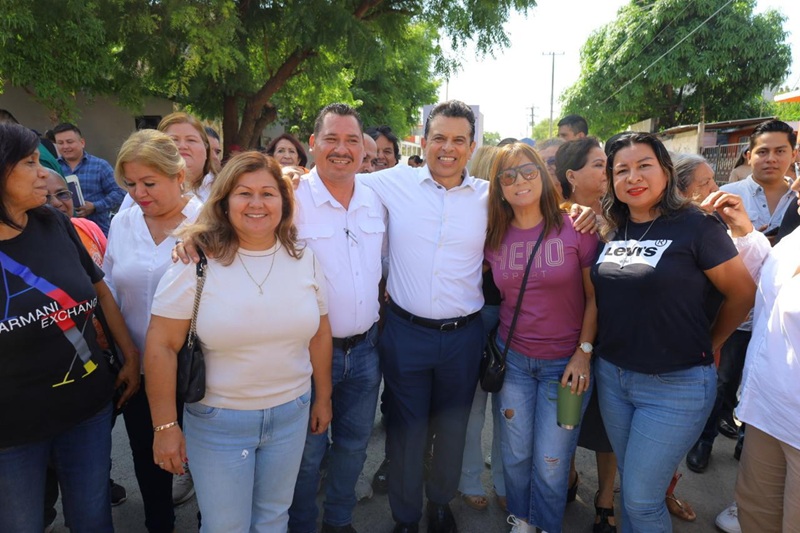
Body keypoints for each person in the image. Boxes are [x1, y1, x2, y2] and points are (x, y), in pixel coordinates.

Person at [145, 152, 332, 532]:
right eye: (244, 193)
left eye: (268, 193)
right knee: (225, 526)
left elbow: (320, 332)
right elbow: (161, 344)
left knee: (273, 520)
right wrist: (164, 426)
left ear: (284, 201)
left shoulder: (304, 258)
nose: (257, 203)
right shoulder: (196, 261)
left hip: (291, 412)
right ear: (225, 201)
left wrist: (323, 399)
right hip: (220, 420)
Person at [592, 133, 756, 532]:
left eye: (644, 166)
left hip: (675, 386)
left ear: (665, 172)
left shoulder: (697, 226)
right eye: (621, 170)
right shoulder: (614, 228)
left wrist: (712, 342)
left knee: (642, 500)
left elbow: (742, 293)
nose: (633, 177)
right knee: (633, 487)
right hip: (614, 377)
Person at [0, 122, 139, 532]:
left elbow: (100, 291)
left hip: (87, 411)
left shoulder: (55, 224)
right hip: (11, 431)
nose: (45, 173)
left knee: (93, 518)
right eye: (30, 163)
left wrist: (129, 356)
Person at [485, 143, 596, 533]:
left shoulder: (576, 228)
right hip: (513, 362)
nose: (520, 181)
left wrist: (583, 353)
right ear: (499, 188)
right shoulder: (493, 237)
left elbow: (595, 298)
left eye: (528, 171)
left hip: (565, 368)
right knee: (515, 455)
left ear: (544, 176)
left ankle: (547, 525)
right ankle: (522, 520)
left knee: (552, 462)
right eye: (508, 175)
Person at [286, 104, 385, 533]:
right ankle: (302, 525)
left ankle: (339, 521)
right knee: (307, 454)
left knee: (353, 445)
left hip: (366, 350)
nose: (341, 149)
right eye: (331, 139)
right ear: (313, 144)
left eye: (351, 140)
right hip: (306, 354)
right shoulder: (289, 197)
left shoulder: (377, 198)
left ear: (364, 149)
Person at [105, 129, 205, 530]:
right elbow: (109, 287)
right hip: (137, 366)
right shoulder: (123, 222)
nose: (139, 194)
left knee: (204, 462)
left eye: (149, 183)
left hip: (197, 370)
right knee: (149, 459)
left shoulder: (208, 221)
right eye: (130, 184)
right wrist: (125, 352)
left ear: (178, 175)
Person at [686, 121, 797, 478]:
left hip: (779, 322)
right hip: (736, 312)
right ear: (749, 156)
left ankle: (748, 445)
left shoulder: (797, 199)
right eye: (763, 151)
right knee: (722, 381)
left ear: (793, 154)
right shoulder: (726, 195)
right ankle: (703, 442)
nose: (771, 158)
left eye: (780, 151)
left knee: (763, 386)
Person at [727, 176, 800, 532]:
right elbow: (766, 280)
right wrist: (744, 231)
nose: (795, 185)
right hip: (768, 411)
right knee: (755, 514)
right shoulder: (793, 239)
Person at [555, 137, 618, 532]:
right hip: (568, 334)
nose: (607, 171)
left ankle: (605, 498)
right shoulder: (557, 218)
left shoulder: (625, 213)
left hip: (616, 336)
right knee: (566, 415)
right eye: (598, 164)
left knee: (610, 420)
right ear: (572, 176)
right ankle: (569, 475)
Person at [459, 144, 506, 513]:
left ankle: (482, 480)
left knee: (502, 409)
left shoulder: (522, 212)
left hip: (513, 317)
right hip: (480, 314)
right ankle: (480, 480)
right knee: (484, 407)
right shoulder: (473, 210)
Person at [54, 122, 125, 234]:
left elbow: (120, 192)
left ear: (82, 142)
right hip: (65, 232)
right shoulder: (53, 168)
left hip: (97, 231)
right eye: (60, 143)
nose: (65, 146)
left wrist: (95, 206)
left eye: (70, 142)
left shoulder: (100, 166)